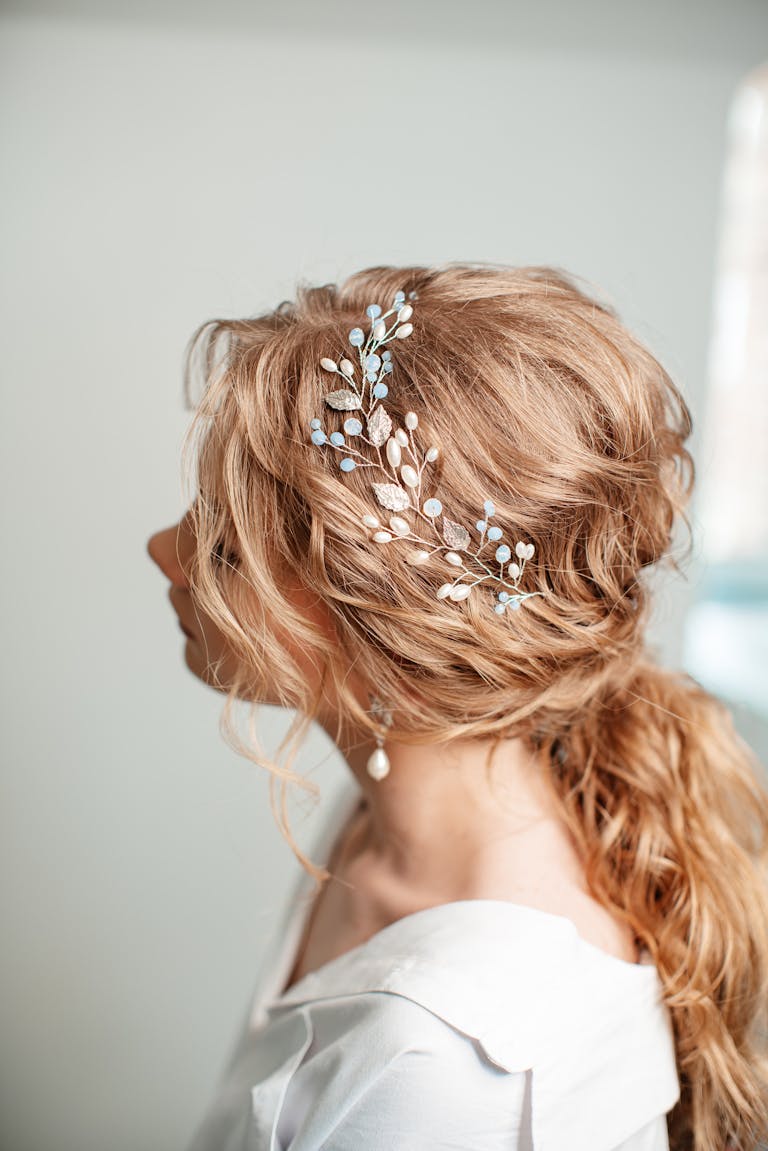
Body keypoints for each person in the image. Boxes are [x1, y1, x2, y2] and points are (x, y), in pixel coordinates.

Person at [147, 262, 768, 1150]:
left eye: (225, 545)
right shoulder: (388, 821)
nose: (163, 549)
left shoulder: (443, 1074)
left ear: (384, 635)